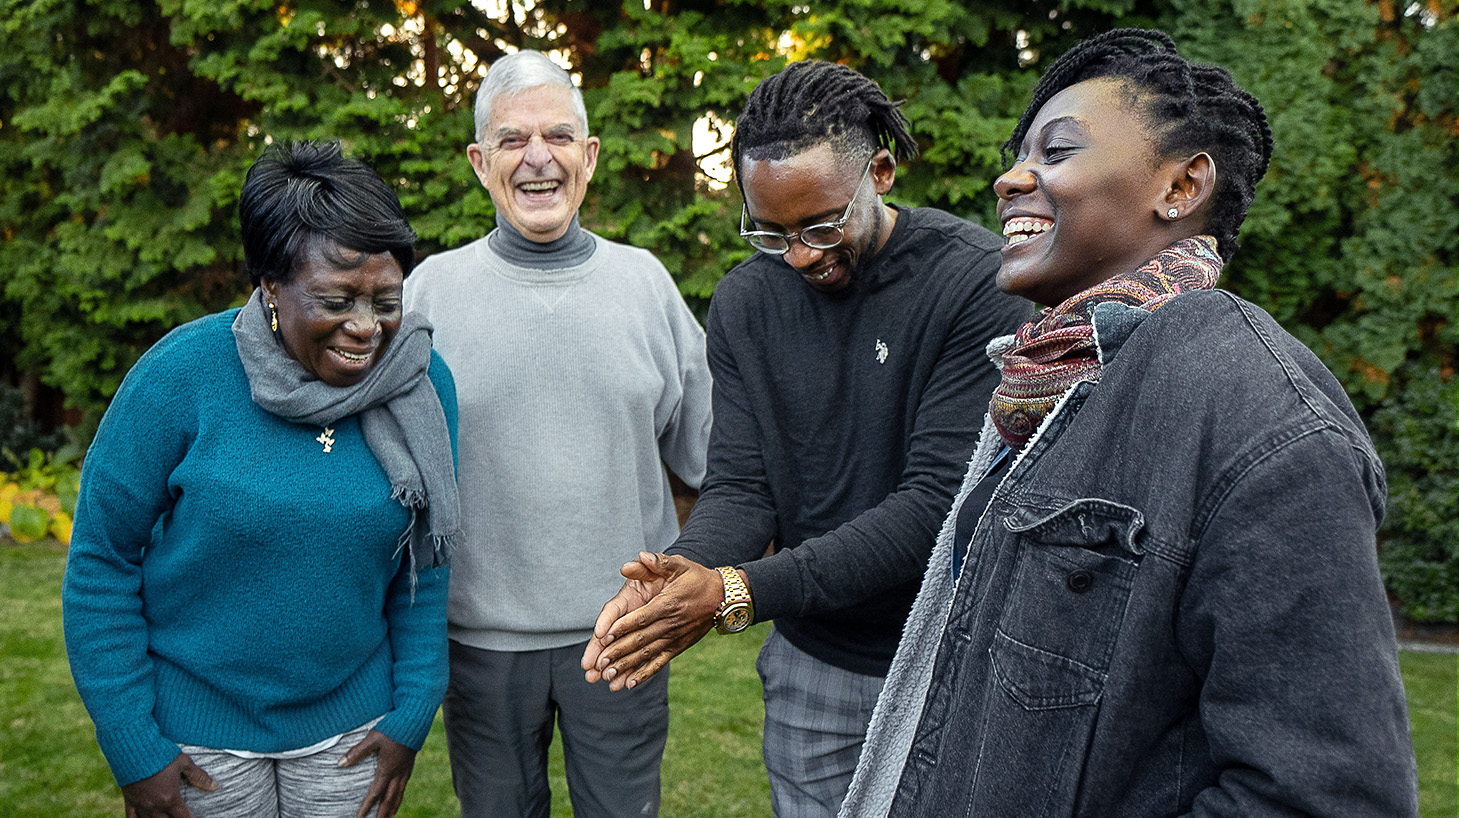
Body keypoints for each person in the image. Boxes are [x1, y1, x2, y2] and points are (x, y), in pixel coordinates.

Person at [838, 28, 1419, 818]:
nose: (1011, 177)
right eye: (1018, 154)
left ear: (1180, 188)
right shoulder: (1044, 376)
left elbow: (1325, 797)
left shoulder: (1265, 424)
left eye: (1057, 151)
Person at [581, 60, 1031, 818]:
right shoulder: (745, 302)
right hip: (812, 667)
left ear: (880, 172)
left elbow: (935, 507)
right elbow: (742, 485)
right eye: (770, 232)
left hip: (947, 659)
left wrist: (734, 592)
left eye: (822, 224)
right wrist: (681, 576)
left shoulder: (975, 285)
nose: (799, 255)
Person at [62, 140, 460, 818]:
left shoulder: (421, 388)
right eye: (336, 300)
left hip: (353, 736)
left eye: (385, 300)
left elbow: (425, 568)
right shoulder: (180, 377)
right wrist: (133, 745)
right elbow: (101, 563)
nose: (366, 328)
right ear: (272, 287)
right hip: (195, 739)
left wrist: (412, 712)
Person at [401, 50, 712, 818]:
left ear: (589, 155)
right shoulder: (427, 294)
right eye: (511, 140)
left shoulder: (645, 284)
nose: (537, 158)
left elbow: (714, 457)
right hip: (477, 644)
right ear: (479, 163)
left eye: (558, 136)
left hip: (625, 635)